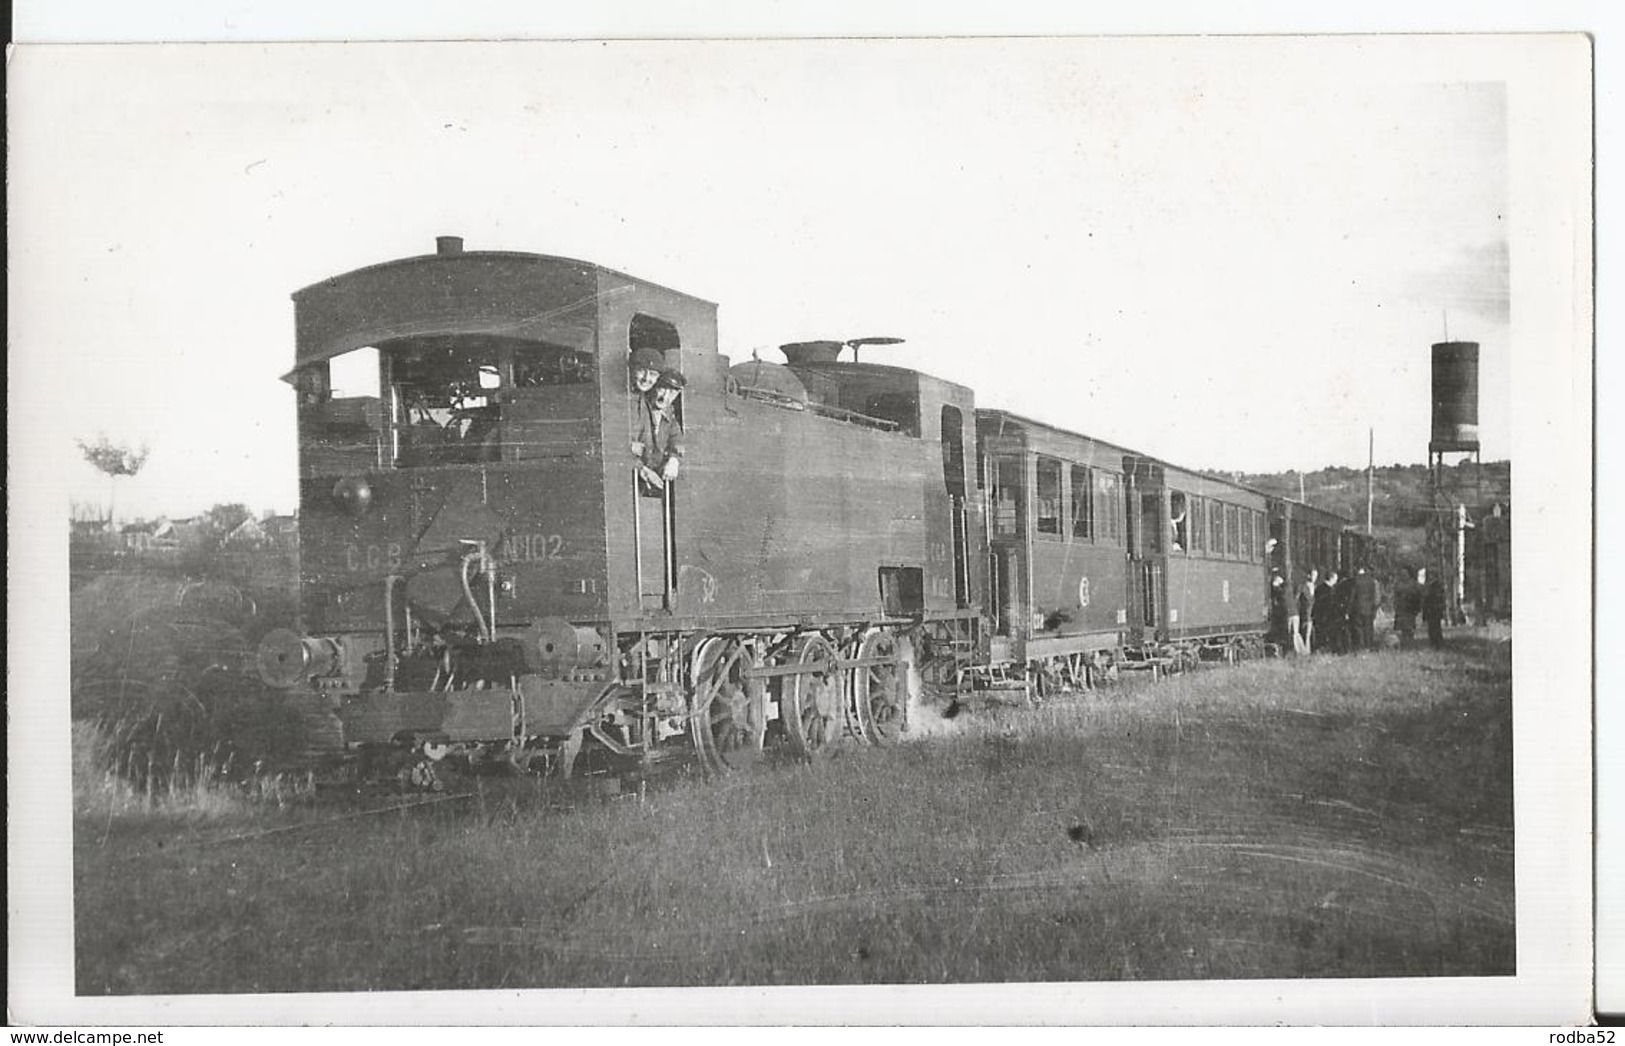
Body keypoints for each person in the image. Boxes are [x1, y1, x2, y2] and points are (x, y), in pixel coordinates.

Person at [633, 368, 686, 493]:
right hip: (632, 480)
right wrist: (640, 468)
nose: (665, 397)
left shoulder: (668, 414)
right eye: (662, 389)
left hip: (650, 484)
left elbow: (677, 440)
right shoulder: (638, 408)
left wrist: (674, 460)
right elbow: (623, 446)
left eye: (672, 393)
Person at [1313, 569, 1345, 654]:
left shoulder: (1319, 588)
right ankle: (1333, 650)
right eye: (1335, 579)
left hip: (1321, 616)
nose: (1336, 581)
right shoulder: (1331, 591)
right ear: (1332, 578)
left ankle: (1322, 650)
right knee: (1333, 635)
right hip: (1330, 617)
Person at [1350, 565, 1379, 651]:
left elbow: (1353, 595)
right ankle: (1369, 645)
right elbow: (1374, 595)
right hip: (1369, 608)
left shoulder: (1356, 581)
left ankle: (1361, 645)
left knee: (1359, 628)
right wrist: (1374, 607)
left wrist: (1350, 607)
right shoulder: (1371, 581)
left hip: (1358, 607)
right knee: (1368, 627)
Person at [1266, 571, 1294, 653]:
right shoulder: (1283, 587)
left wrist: (1276, 586)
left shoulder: (1285, 587)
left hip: (1283, 613)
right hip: (1279, 613)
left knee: (1284, 633)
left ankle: (1287, 650)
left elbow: (1282, 595)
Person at [1420, 567, 1447, 650]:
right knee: (1431, 628)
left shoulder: (1438, 585)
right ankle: (1433, 644)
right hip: (1429, 609)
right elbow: (1425, 597)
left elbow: (1440, 597)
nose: (1430, 577)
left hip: (1435, 609)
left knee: (1436, 628)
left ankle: (1438, 644)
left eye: (1432, 575)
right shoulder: (1428, 585)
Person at [1392, 567, 1419, 647]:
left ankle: (1410, 644)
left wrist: (1416, 609)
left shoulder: (1413, 584)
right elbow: (1395, 596)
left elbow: (1417, 597)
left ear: (1409, 574)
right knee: (1401, 630)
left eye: (1405, 574)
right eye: (1401, 574)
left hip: (1409, 610)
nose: (1403, 575)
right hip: (1400, 610)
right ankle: (1403, 644)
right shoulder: (1398, 584)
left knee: (1409, 629)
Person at [1296, 566, 1318, 654]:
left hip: (1314, 613)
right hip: (1306, 613)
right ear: (1308, 575)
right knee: (1306, 634)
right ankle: (1305, 652)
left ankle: (1311, 651)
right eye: (1313, 575)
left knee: (1312, 634)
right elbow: (1296, 600)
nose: (1315, 578)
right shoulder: (1302, 587)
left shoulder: (1316, 587)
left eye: (1316, 575)